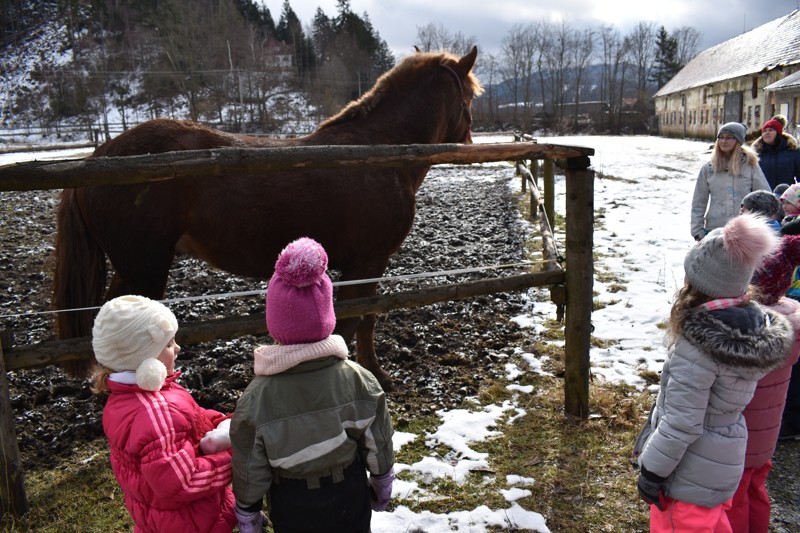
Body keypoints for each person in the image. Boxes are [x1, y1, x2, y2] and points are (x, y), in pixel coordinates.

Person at [634, 214, 793, 532]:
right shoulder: (748, 330)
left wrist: (652, 471)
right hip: (721, 464)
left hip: (686, 478)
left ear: (700, 284)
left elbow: (682, 424)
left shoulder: (697, 349)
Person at [230, 237, 395, 533]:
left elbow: (250, 463)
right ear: (327, 317)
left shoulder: (257, 398)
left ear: (275, 322)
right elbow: (377, 437)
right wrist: (382, 482)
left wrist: (248, 512)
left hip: (292, 502)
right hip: (349, 492)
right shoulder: (358, 379)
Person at [91, 295, 236, 533]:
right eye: (168, 344)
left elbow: (193, 418)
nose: (178, 348)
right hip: (192, 523)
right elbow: (182, 483)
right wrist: (234, 455)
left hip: (162, 520)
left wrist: (226, 422)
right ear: (142, 360)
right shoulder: (156, 411)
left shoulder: (129, 396)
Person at [728, 235, 800, 531]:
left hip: (740, 437)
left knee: (735, 497)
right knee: (757, 488)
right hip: (767, 435)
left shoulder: (746, 329)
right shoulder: (791, 319)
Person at [691, 122, 770, 241]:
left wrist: (763, 226)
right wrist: (697, 231)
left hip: (744, 231)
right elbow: (699, 202)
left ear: (738, 141)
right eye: (721, 137)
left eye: (729, 138)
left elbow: (765, 197)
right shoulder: (709, 169)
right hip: (715, 230)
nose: (724, 141)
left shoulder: (750, 166)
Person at [751, 117, 800, 189]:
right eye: (765, 131)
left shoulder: (792, 151)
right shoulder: (755, 153)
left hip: (785, 196)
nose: (767, 133)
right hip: (762, 196)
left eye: (771, 130)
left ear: (778, 133)